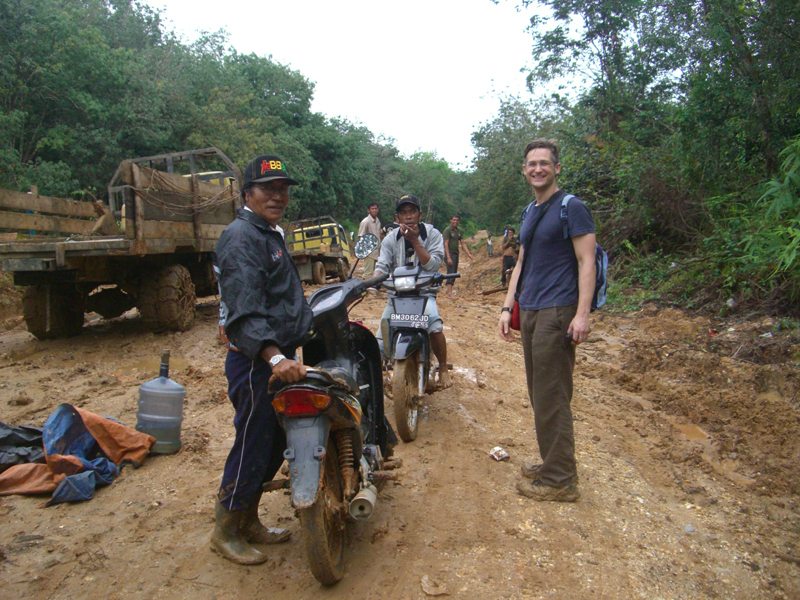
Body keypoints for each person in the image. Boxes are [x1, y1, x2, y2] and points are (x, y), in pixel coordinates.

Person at [211, 154, 312, 564]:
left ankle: (249, 520)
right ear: (247, 192)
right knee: (253, 443)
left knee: (273, 444)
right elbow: (245, 312)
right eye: (268, 188)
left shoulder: (269, 233)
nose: (277, 195)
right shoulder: (241, 238)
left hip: (276, 358)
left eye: (283, 188)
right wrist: (273, 359)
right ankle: (225, 530)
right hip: (256, 364)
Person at [497, 139, 596, 503]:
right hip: (533, 309)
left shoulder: (572, 208)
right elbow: (521, 263)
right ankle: (553, 462)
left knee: (552, 394)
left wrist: (582, 315)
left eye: (544, 163)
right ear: (524, 170)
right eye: (531, 164)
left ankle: (560, 479)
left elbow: (587, 262)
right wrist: (508, 307)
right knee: (540, 392)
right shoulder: (530, 211)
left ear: (557, 168)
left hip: (559, 310)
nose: (537, 168)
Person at [374, 194, 451, 388]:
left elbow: (433, 265)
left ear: (420, 214)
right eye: (403, 213)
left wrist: (416, 241)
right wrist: (372, 279)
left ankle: (442, 368)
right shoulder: (390, 239)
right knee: (381, 337)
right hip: (397, 296)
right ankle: (381, 373)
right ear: (397, 216)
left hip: (424, 295)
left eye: (412, 212)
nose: (408, 216)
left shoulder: (433, 234)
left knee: (434, 326)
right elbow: (382, 265)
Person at [441, 214, 473, 298]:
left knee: (454, 272)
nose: (455, 221)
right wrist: (448, 257)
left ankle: (448, 291)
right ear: (450, 220)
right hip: (450, 254)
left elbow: (463, 243)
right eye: (454, 220)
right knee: (450, 272)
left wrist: (469, 254)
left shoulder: (458, 231)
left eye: (457, 220)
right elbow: (446, 244)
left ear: (459, 221)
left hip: (456, 254)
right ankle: (450, 293)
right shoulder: (448, 230)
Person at [357, 202, 382, 278]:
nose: (374, 210)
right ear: (368, 210)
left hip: (378, 251)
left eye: (375, 208)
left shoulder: (378, 221)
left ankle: (375, 288)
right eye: (372, 209)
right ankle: (366, 288)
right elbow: (360, 237)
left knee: (378, 272)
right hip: (369, 252)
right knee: (368, 273)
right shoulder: (365, 222)